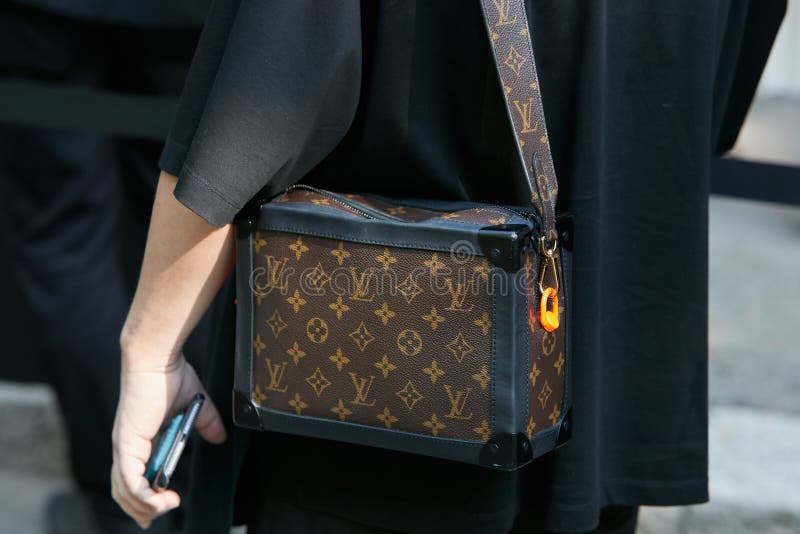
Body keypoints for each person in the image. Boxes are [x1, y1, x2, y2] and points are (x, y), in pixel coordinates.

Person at [110, 1, 783, 532]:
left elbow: (255, 110)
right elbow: (720, 95)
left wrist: (150, 347)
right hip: (611, 382)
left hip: (377, 419)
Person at [0, 1, 209, 532]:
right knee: (196, 222)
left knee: (65, 241)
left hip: (47, 16)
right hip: (190, 18)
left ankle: (122, 501)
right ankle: (193, 485)